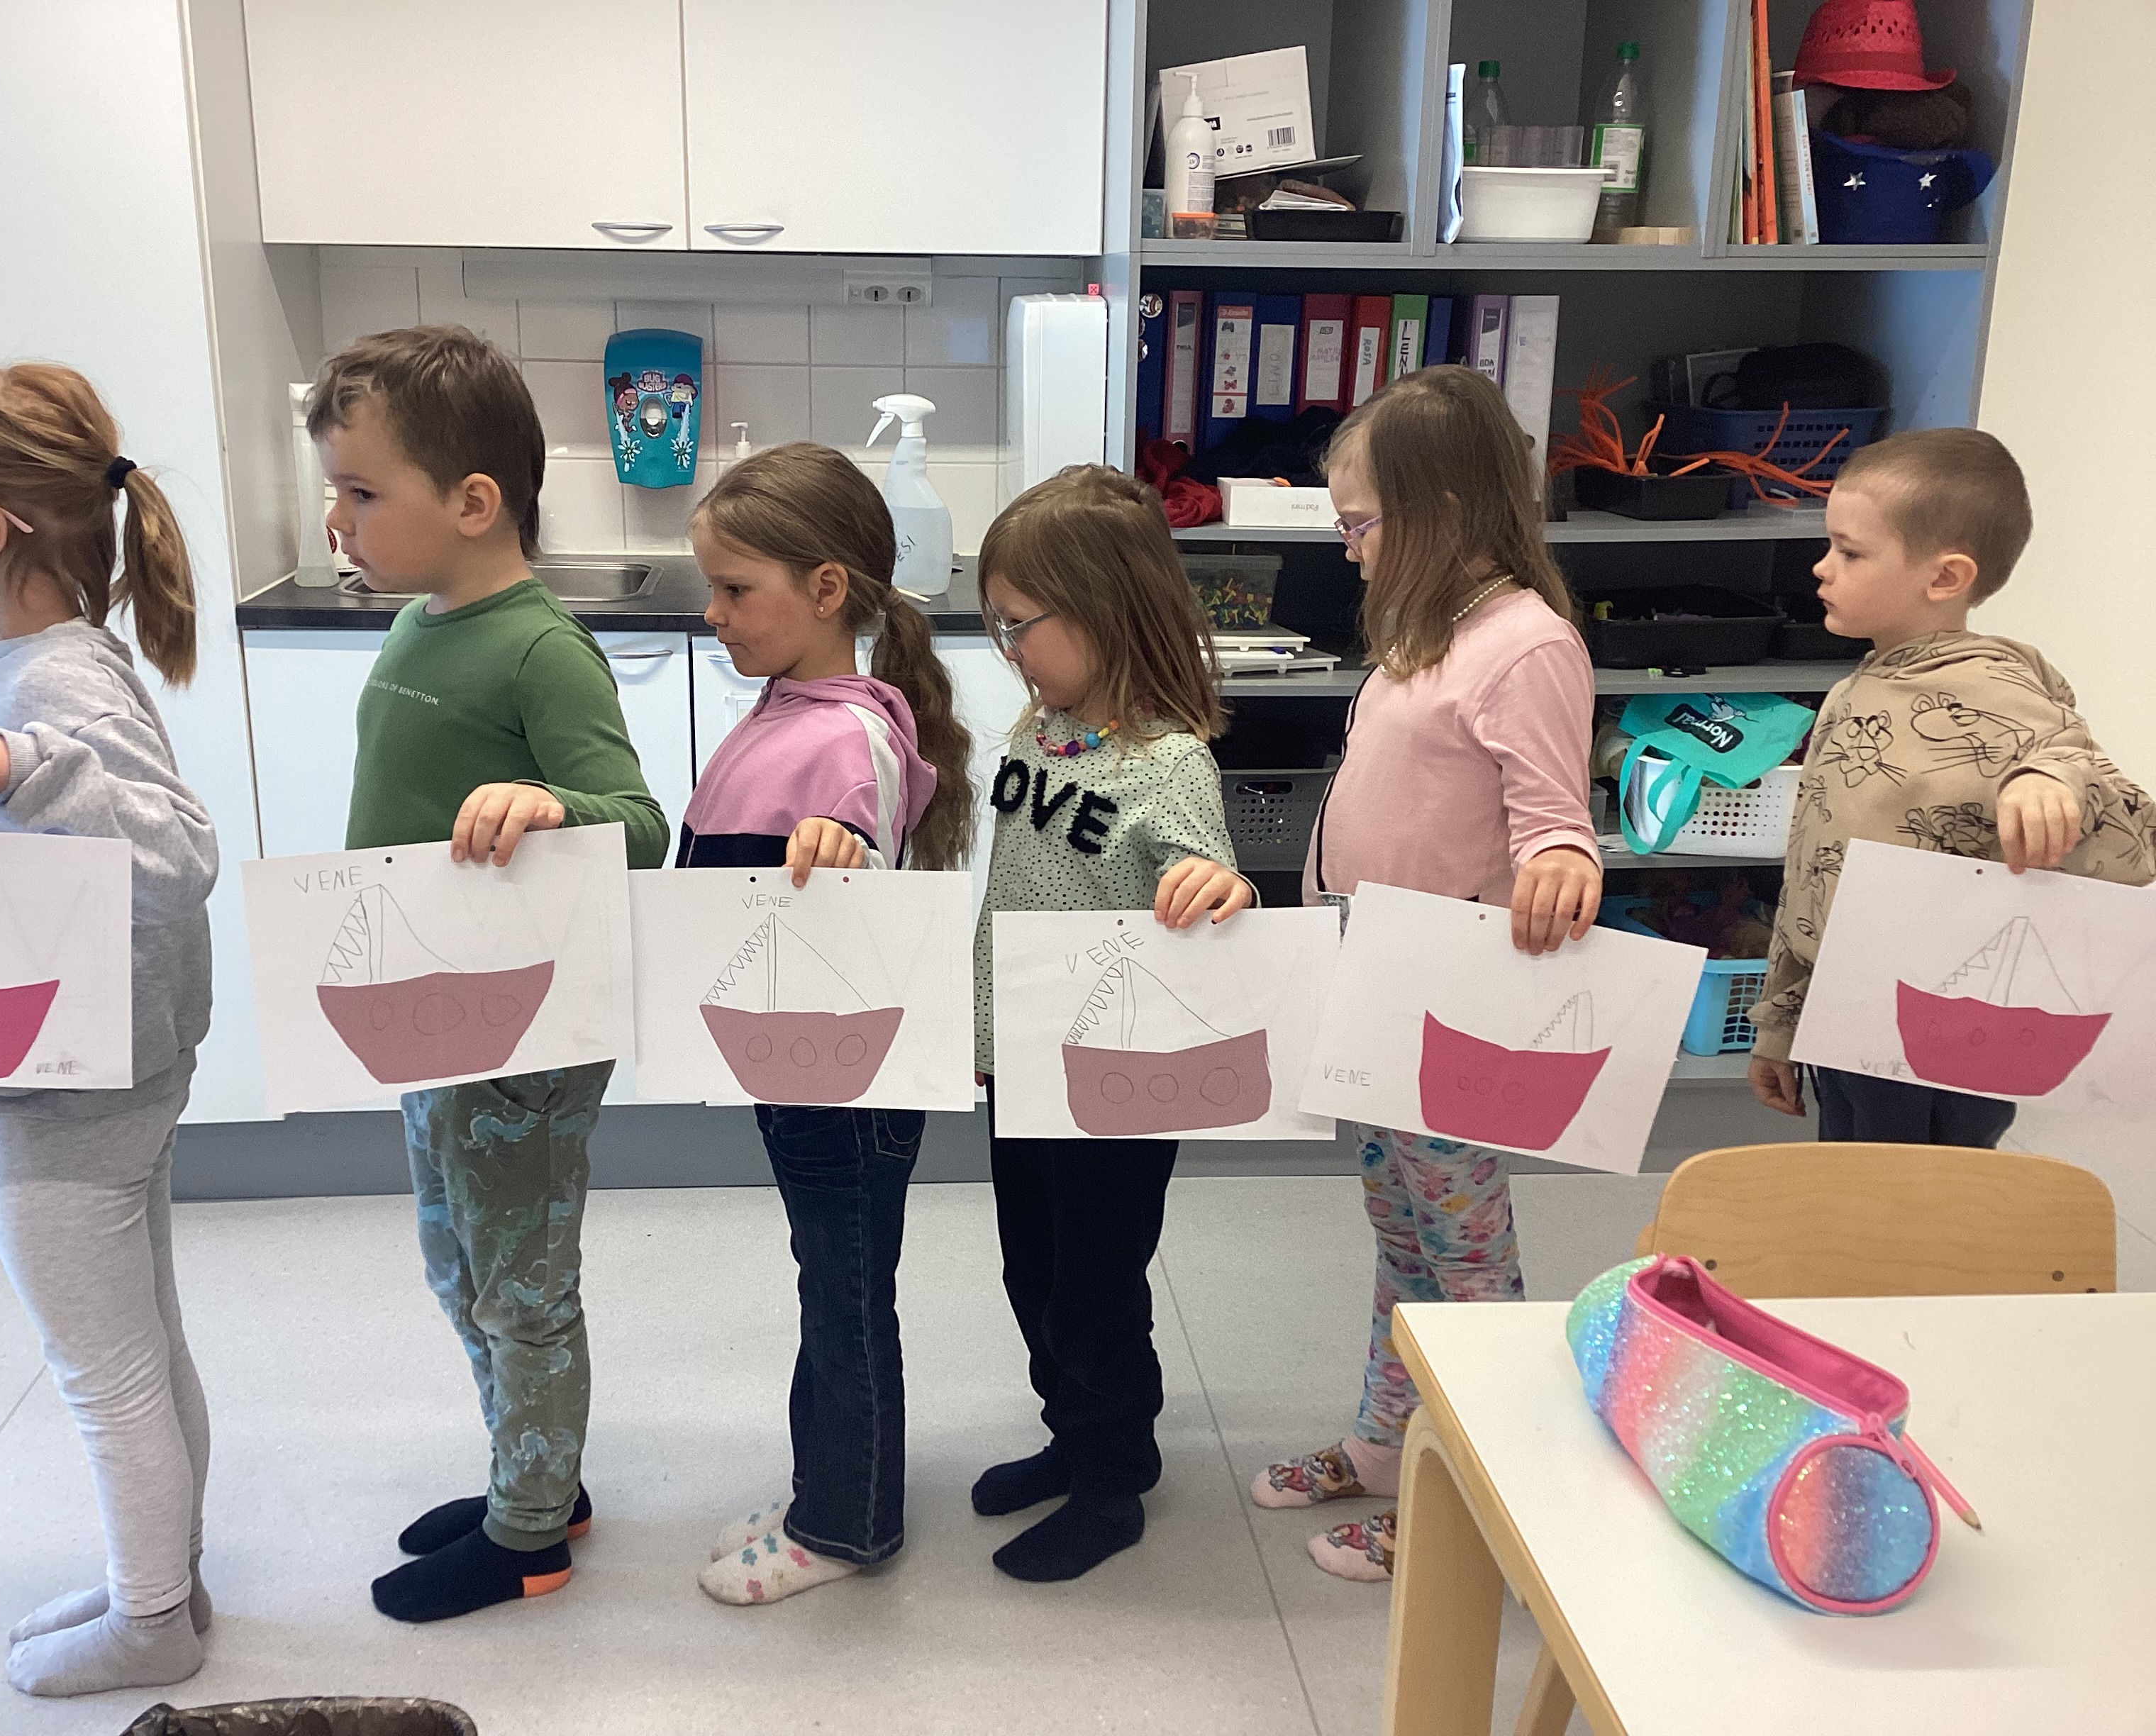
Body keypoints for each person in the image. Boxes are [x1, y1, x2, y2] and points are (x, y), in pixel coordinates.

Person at [304, 326, 669, 1623]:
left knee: (520, 1283)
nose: (336, 519)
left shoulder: (540, 648)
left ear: (472, 503)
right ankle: (536, 1473)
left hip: (524, 1032)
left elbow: (641, 823)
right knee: (455, 1261)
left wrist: (549, 801)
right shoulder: (417, 620)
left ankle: (528, 1536)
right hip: (431, 1012)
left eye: (361, 491)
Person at [0, 362, 217, 1696]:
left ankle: (152, 1622)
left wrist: (20, 762)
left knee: (106, 1371)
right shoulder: (54, 659)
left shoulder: (53, 688)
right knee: (146, 1345)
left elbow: (174, 854)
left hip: (79, 1097)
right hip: (84, 1071)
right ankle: (170, 1580)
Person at [1251, 366, 1603, 1584]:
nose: (1346, 548)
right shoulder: (1424, 636)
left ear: (1439, 514)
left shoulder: (1526, 644)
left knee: (1466, 1259)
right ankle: (1387, 1439)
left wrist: (1562, 858)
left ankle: (1478, 1495)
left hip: (1448, 998)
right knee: (1401, 1233)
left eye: (1357, 524)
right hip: (1374, 978)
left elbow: (1553, 820)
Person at [676, 442, 975, 1604]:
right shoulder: (789, 705)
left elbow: (867, 881)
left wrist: (839, 852)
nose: (713, 613)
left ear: (825, 589)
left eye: (733, 588)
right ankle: (825, 1485)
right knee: (828, 1281)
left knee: (844, 1294)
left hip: (842, 1082)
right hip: (793, 1062)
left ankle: (851, 1523)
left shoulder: (845, 736)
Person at [970, 464, 1253, 1582]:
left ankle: (1112, 1473)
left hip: (1117, 1075)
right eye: (997, 624)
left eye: (1019, 624)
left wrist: (1217, 887)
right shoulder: (1038, 731)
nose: (1007, 648)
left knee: (1095, 1285)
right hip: (1024, 1059)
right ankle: (1071, 1433)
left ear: (1103, 611)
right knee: (1032, 1272)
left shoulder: (1169, 761)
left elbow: (1209, 877)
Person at [1748, 428, 2155, 1140]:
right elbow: (1812, 876)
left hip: (1946, 1031)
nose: (1822, 568)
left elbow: (2114, 806)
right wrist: (1782, 1025)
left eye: (1850, 553)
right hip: (1847, 1018)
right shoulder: (1853, 690)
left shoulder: (1995, 684)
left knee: (1931, 1199)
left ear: (1944, 578)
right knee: (1849, 1190)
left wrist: (2048, 777)